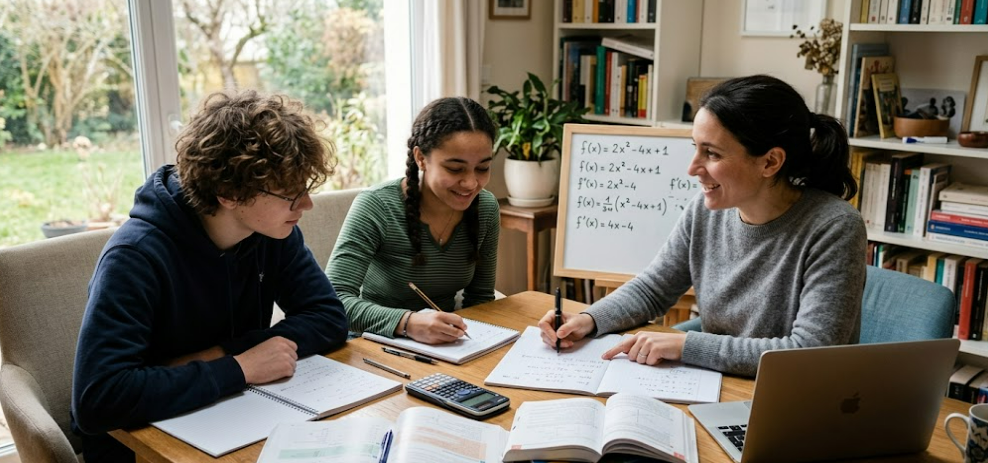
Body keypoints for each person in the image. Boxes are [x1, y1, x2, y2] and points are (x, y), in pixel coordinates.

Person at [71, 90, 349, 461]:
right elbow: (98, 398)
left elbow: (329, 318)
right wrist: (239, 368)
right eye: (289, 193)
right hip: (141, 446)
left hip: (233, 418)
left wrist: (224, 355)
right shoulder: (135, 256)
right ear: (229, 193)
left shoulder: (272, 232)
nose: (307, 204)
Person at [539, 75, 867, 377]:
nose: (693, 168)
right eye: (694, 148)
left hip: (788, 396)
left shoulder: (834, 227)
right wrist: (588, 320)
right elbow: (653, 289)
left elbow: (809, 352)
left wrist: (688, 345)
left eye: (710, 153)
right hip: (715, 381)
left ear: (770, 162)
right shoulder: (706, 210)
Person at [327, 96, 499, 344]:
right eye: (455, 168)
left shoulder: (486, 208)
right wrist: (407, 323)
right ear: (420, 158)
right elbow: (333, 301)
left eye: (483, 168)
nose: (471, 183)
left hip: (445, 346)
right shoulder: (377, 206)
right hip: (371, 344)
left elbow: (481, 298)